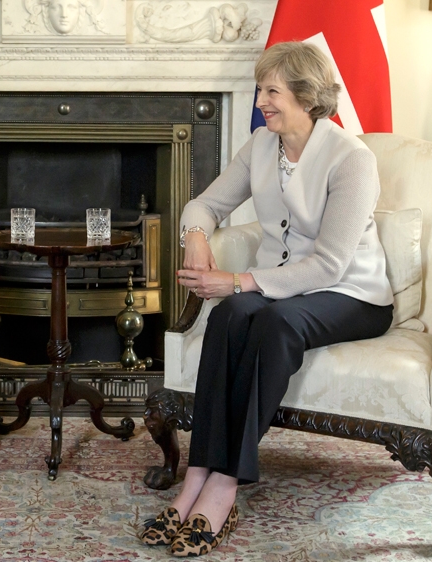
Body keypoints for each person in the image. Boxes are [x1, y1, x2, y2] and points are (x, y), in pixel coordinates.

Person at [138, 41, 394, 557]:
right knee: (230, 317)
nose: (261, 102)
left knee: (271, 323)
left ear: (306, 96)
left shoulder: (352, 159)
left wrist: (238, 280)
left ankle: (225, 486)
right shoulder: (261, 145)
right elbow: (206, 203)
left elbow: (329, 265)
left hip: (351, 293)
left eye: (272, 91)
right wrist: (196, 235)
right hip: (281, 284)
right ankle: (196, 476)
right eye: (261, 90)